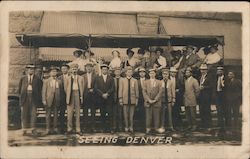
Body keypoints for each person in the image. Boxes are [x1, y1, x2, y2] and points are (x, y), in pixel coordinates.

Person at [18, 64, 42, 136]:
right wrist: (22, 97)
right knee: (24, 114)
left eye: (32, 69)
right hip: (25, 98)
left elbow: (40, 89)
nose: (31, 70)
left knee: (33, 114)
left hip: (34, 98)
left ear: (34, 71)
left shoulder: (37, 79)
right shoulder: (23, 78)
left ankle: (33, 129)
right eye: (29, 69)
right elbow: (19, 89)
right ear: (27, 70)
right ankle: (24, 130)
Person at [42, 66, 63, 135]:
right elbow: (43, 91)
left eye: (55, 71)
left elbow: (61, 91)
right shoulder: (46, 81)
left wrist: (60, 99)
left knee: (56, 114)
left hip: (56, 100)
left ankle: (55, 128)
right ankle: (47, 129)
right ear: (50, 73)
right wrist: (44, 100)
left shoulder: (59, 81)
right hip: (49, 100)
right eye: (52, 71)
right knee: (48, 115)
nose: (54, 72)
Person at [65, 63, 84, 135]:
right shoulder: (68, 78)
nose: (74, 70)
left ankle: (78, 129)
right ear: (70, 70)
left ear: (77, 70)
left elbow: (82, 88)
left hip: (78, 94)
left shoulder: (81, 78)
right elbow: (65, 88)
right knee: (69, 113)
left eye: (75, 69)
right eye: (73, 69)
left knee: (78, 113)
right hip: (70, 95)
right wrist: (69, 94)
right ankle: (69, 129)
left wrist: (81, 96)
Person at [94, 64, 114, 133]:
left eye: (106, 69)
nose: (104, 70)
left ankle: (111, 128)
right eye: (103, 69)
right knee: (102, 114)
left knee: (110, 114)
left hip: (108, 99)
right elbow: (96, 88)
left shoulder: (111, 78)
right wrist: (102, 94)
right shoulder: (98, 78)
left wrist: (107, 94)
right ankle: (103, 128)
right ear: (101, 70)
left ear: (107, 70)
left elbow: (112, 88)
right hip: (101, 99)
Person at [119, 66, 139, 133]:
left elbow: (136, 90)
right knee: (125, 115)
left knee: (131, 115)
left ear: (132, 73)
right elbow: (120, 90)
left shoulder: (135, 80)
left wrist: (136, 99)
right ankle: (126, 126)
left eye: (130, 72)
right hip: (125, 100)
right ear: (126, 73)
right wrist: (120, 99)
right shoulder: (122, 80)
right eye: (128, 72)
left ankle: (131, 126)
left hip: (132, 100)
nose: (129, 73)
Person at [143, 68, 163, 134]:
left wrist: (155, 100)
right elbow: (144, 92)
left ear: (155, 74)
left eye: (153, 73)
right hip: (148, 102)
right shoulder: (146, 82)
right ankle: (148, 128)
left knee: (156, 115)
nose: (152, 74)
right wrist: (148, 100)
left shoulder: (159, 82)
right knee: (148, 116)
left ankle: (156, 128)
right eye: (150, 73)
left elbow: (160, 92)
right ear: (149, 74)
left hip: (156, 102)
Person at [82, 62, 97, 133]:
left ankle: (93, 127)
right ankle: (85, 127)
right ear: (85, 68)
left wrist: (93, 89)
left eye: (90, 67)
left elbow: (97, 85)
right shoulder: (82, 76)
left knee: (93, 112)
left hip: (93, 95)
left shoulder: (96, 76)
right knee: (85, 112)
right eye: (87, 67)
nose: (88, 68)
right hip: (85, 95)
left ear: (92, 68)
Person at [159, 68, 175, 132]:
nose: (165, 75)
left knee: (169, 114)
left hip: (169, 100)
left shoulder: (171, 82)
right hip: (162, 100)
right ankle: (162, 126)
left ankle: (171, 126)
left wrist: (173, 99)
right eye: (164, 74)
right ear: (162, 75)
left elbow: (173, 91)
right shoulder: (160, 82)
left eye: (166, 74)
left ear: (168, 75)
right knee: (162, 114)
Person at [198, 64, 213, 129]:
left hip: (207, 96)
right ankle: (203, 124)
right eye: (201, 70)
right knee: (201, 110)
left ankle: (208, 125)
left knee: (207, 110)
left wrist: (204, 87)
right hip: (201, 96)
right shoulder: (200, 77)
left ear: (206, 70)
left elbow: (211, 86)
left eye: (204, 70)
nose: (202, 71)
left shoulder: (209, 77)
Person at [57, 63, 70, 133]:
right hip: (62, 98)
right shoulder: (59, 78)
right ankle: (62, 128)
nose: (64, 70)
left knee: (70, 113)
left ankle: (70, 127)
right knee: (61, 113)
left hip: (70, 97)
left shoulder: (71, 77)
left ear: (68, 69)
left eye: (65, 69)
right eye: (62, 69)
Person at [215, 66, 228, 132]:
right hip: (217, 95)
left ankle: (226, 123)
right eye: (217, 71)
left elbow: (226, 87)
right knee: (219, 110)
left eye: (220, 71)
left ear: (223, 71)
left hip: (224, 96)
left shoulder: (226, 78)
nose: (218, 72)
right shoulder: (216, 78)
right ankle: (220, 123)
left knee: (225, 109)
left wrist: (222, 82)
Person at [113, 67, 123, 132]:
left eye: (118, 71)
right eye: (116, 71)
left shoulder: (123, 79)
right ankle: (114, 127)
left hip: (121, 99)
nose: (117, 72)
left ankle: (120, 127)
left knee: (120, 114)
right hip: (114, 99)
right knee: (114, 114)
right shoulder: (112, 79)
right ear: (114, 72)